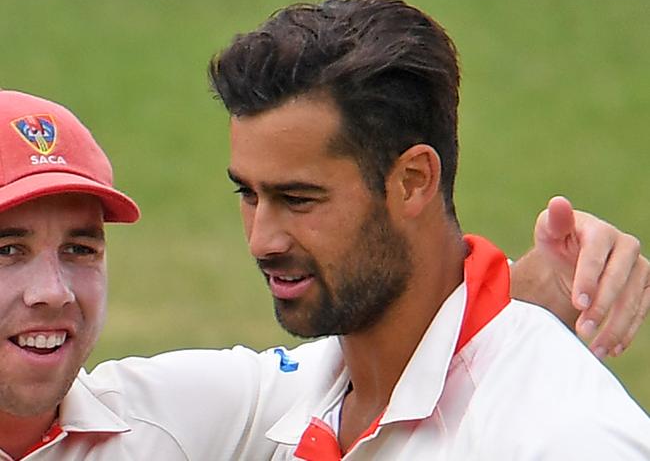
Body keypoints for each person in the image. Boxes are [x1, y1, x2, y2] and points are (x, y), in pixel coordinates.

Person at [0, 92, 645, 458]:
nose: (52, 292)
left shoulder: (158, 427)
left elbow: (404, 352)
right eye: (8, 251)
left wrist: (525, 298)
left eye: (81, 249)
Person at [208, 0, 650, 459]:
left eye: (297, 199)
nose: (261, 240)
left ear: (412, 182)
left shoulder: (566, 439)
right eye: (248, 194)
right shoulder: (270, 399)